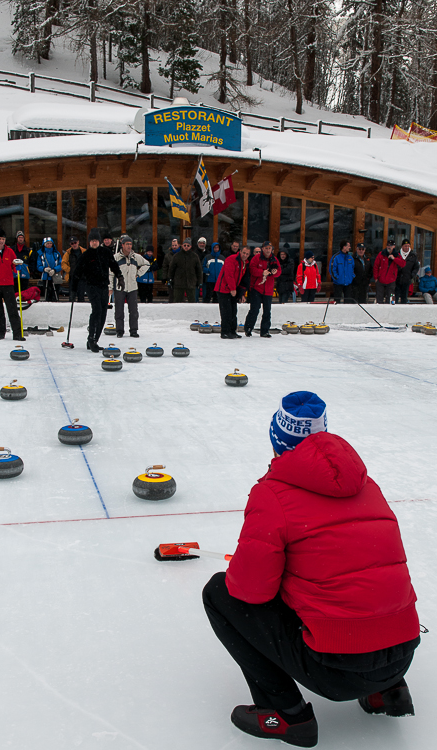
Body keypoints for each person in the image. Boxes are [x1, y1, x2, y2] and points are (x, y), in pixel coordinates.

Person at [203, 391, 420, 746]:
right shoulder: (367, 486)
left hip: (337, 672)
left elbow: (249, 590)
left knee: (219, 593)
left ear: (277, 442)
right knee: (362, 578)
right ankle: (388, 690)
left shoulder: (272, 495)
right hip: (402, 655)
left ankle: (286, 714)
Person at [72, 228, 124, 351]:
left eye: (96, 240)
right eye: (92, 240)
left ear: (99, 241)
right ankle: (91, 339)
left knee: (103, 313)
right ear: (89, 242)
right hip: (91, 286)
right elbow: (77, 272)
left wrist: (120, 277)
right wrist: (73, 288)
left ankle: (95, 340)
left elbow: (114, 265)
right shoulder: (86, 255)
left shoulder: (105, 252)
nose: (94, 243)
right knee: (97, 311)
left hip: (103, 286)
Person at [111, 234, 149, 338]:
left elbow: (147, 264)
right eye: (127, 244)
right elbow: (111, 273)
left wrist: (138, 273)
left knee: (133, 311)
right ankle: (119, 330)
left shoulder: (136, 257)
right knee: (119, 310)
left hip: (132, 287)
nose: (129, 246)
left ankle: (133, 330)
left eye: (130, 244)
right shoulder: (116, 258)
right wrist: (110, 287)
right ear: (122, 245)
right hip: (120, 287)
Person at [244, 241, 281, 338]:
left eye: (269, 248)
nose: (268, 250)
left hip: (268, 289)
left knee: (267, 311)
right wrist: (262, 272)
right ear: (262, 249)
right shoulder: (256, 258)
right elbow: (251, 270)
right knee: (255, 309)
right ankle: (248, 328)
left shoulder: (275, 259)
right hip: (256, 288)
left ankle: (265, 331)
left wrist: (274, 272)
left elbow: (279, 272)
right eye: (266, 248)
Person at [215, 245, 251, 338]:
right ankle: (225, 332)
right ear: (240, 251)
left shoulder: (244, 263)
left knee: (233, 311)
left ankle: (232, 331)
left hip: (233, 289)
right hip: (224, 289)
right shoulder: (231, 259)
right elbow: (229, 275)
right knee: (226, 312)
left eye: (247, 254)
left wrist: (241, 293)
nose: (245, 255)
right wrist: (232, 288)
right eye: (244, 253)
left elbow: (243, 280)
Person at [168, 237, 203, 303]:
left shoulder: (195, 256)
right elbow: (171, 269)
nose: (186, 247)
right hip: (179, 282)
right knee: (177, 301)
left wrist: (200, 282)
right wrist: (170, 279)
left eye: (188, 245)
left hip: (191, 282)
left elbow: (199, 270)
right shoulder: (177, 256)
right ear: (182, 246)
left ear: (190, 246)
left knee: (192, 301)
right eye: (185, 245)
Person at [373, 239, 405, 303]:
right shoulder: (381, 254)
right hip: (380, 280)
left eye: (391, 245)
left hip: (391, 281)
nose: (389, 247)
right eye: (388, 245)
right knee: (379, 299)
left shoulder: (397, 255)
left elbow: (403, 264)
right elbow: (375, 266)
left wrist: (394, 259)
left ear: (394, 246)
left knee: (391, 300)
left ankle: (391, 311)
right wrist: (376, 277)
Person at [62, 236, 87, 302]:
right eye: (72, 243)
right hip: (72, 278)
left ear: (78, 242)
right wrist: (70, 270)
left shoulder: (84, 252)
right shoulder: (68, 253)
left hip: (82, 278)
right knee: (72, 297)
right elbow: (63, 264)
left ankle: (81, 310)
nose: (74, 244)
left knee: (81, 297)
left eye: (75, 242)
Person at [37, 237, 62, 302]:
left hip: (55, 276)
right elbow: (38, 266)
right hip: (45, 277)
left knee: (55, 295)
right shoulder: (41, 254)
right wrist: (44, 269)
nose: (49, 245)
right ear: (44, 244)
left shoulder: (57, 254)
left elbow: (61, 264)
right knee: (47, 294)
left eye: (51, 243)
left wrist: (54, 270)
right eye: (47, 243)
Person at [395, 239, 419, 304]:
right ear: (402, 246)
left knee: (404, 297)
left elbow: (416, 267)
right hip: (397, 279)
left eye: (408, 246)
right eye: (405, 246)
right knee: (396, 297)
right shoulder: (397, 254)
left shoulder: (413, 255)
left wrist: (412, 275)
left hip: (407, 279)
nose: (407, 247)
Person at [162, 238, 181, 302]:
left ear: (178, 245)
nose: (174, 247)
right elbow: (165, 267)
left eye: (175, 245)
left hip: (181, 278)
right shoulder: (167, 256)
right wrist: (164, 278)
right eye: (173, 245)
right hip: (171, 278)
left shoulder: (182, 254)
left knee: (180, 296)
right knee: (171, 296)